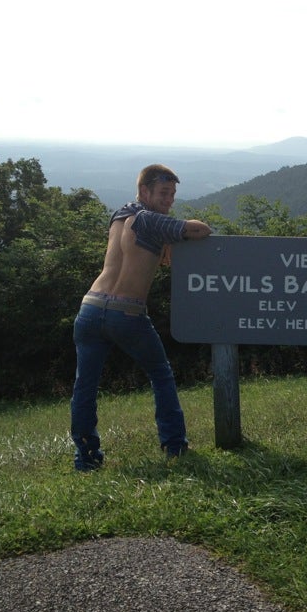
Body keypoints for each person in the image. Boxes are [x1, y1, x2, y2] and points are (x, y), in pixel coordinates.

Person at [70, 164, 212, 470]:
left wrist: (167, 242)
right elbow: (201, 230)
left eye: (173, 194)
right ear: (144, 190)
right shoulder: (151, 220)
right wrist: (174, 236)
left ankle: (86, 459)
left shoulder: (119, 216)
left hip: (91, 307)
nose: (169, 200)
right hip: (127, 313)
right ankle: (175, 445)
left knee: (85, 386)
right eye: (163, 193)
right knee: (161, 375)